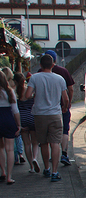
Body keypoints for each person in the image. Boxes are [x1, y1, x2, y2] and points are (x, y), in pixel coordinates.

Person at [26, 54, 69, 182]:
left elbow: (27, 95)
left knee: (43, 142)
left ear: (40, 65)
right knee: (55, 143)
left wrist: (35, 95)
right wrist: (64, 107)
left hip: (39, 114)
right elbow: (65, 98)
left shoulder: (34, 78)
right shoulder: (60, 79)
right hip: (55, 113)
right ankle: (55, 172)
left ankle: (46, 169)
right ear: (53, 65)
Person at [43, 50, 74, 166]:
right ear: (55, 60)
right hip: (62, 106)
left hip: (46, 109)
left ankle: (52, 156)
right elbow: (70, 89)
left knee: (50, 134)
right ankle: (64, 153)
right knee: (65, 130)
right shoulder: (63, 71)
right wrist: (68, 103)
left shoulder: (40, 73)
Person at [14, 72, 39, 173]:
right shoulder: (29, 90)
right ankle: (35, 158)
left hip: (22, 119)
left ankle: (31, 167)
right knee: (35, 142)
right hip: (32, 117)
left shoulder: (15, 93)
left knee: (27, 144)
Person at [0, 70, 21, 184]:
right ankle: (9, 176)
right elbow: (15, 111)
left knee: (0, 148)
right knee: (10, 149)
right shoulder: (10, 92)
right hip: (8, 119)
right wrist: (18, 124)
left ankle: (2, 171)